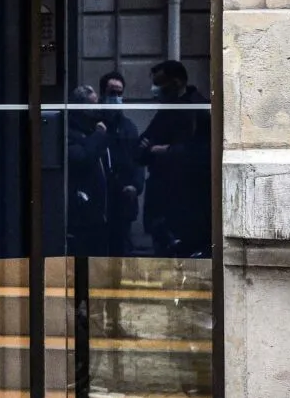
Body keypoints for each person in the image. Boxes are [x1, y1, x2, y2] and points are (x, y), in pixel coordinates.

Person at [136, 60, 211, 257]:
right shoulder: (168, 109)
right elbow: (141, 146)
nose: (154, 89)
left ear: (176, 82)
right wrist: (154, 149)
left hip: (188, 203)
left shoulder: (198, 109)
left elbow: (202, 152)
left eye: (158, 83)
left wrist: (168, 151)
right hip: (164, 203)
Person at [98, 70, 144, 256]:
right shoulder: (96, 124)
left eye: (119, 93)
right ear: (103, 94)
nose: (116, 97)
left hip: (123, 199)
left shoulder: (128, 127)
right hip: (102, 199)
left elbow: (137, 160)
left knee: (120, 249)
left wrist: (136, 186)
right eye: (112, 93)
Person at [65, 84, 109, 258]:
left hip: (98, 213)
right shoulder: (71, 133)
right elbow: (83, 157)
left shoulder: (92, 130)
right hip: (82, 213)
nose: (97, 109)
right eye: (92, 105)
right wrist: (98, 135)